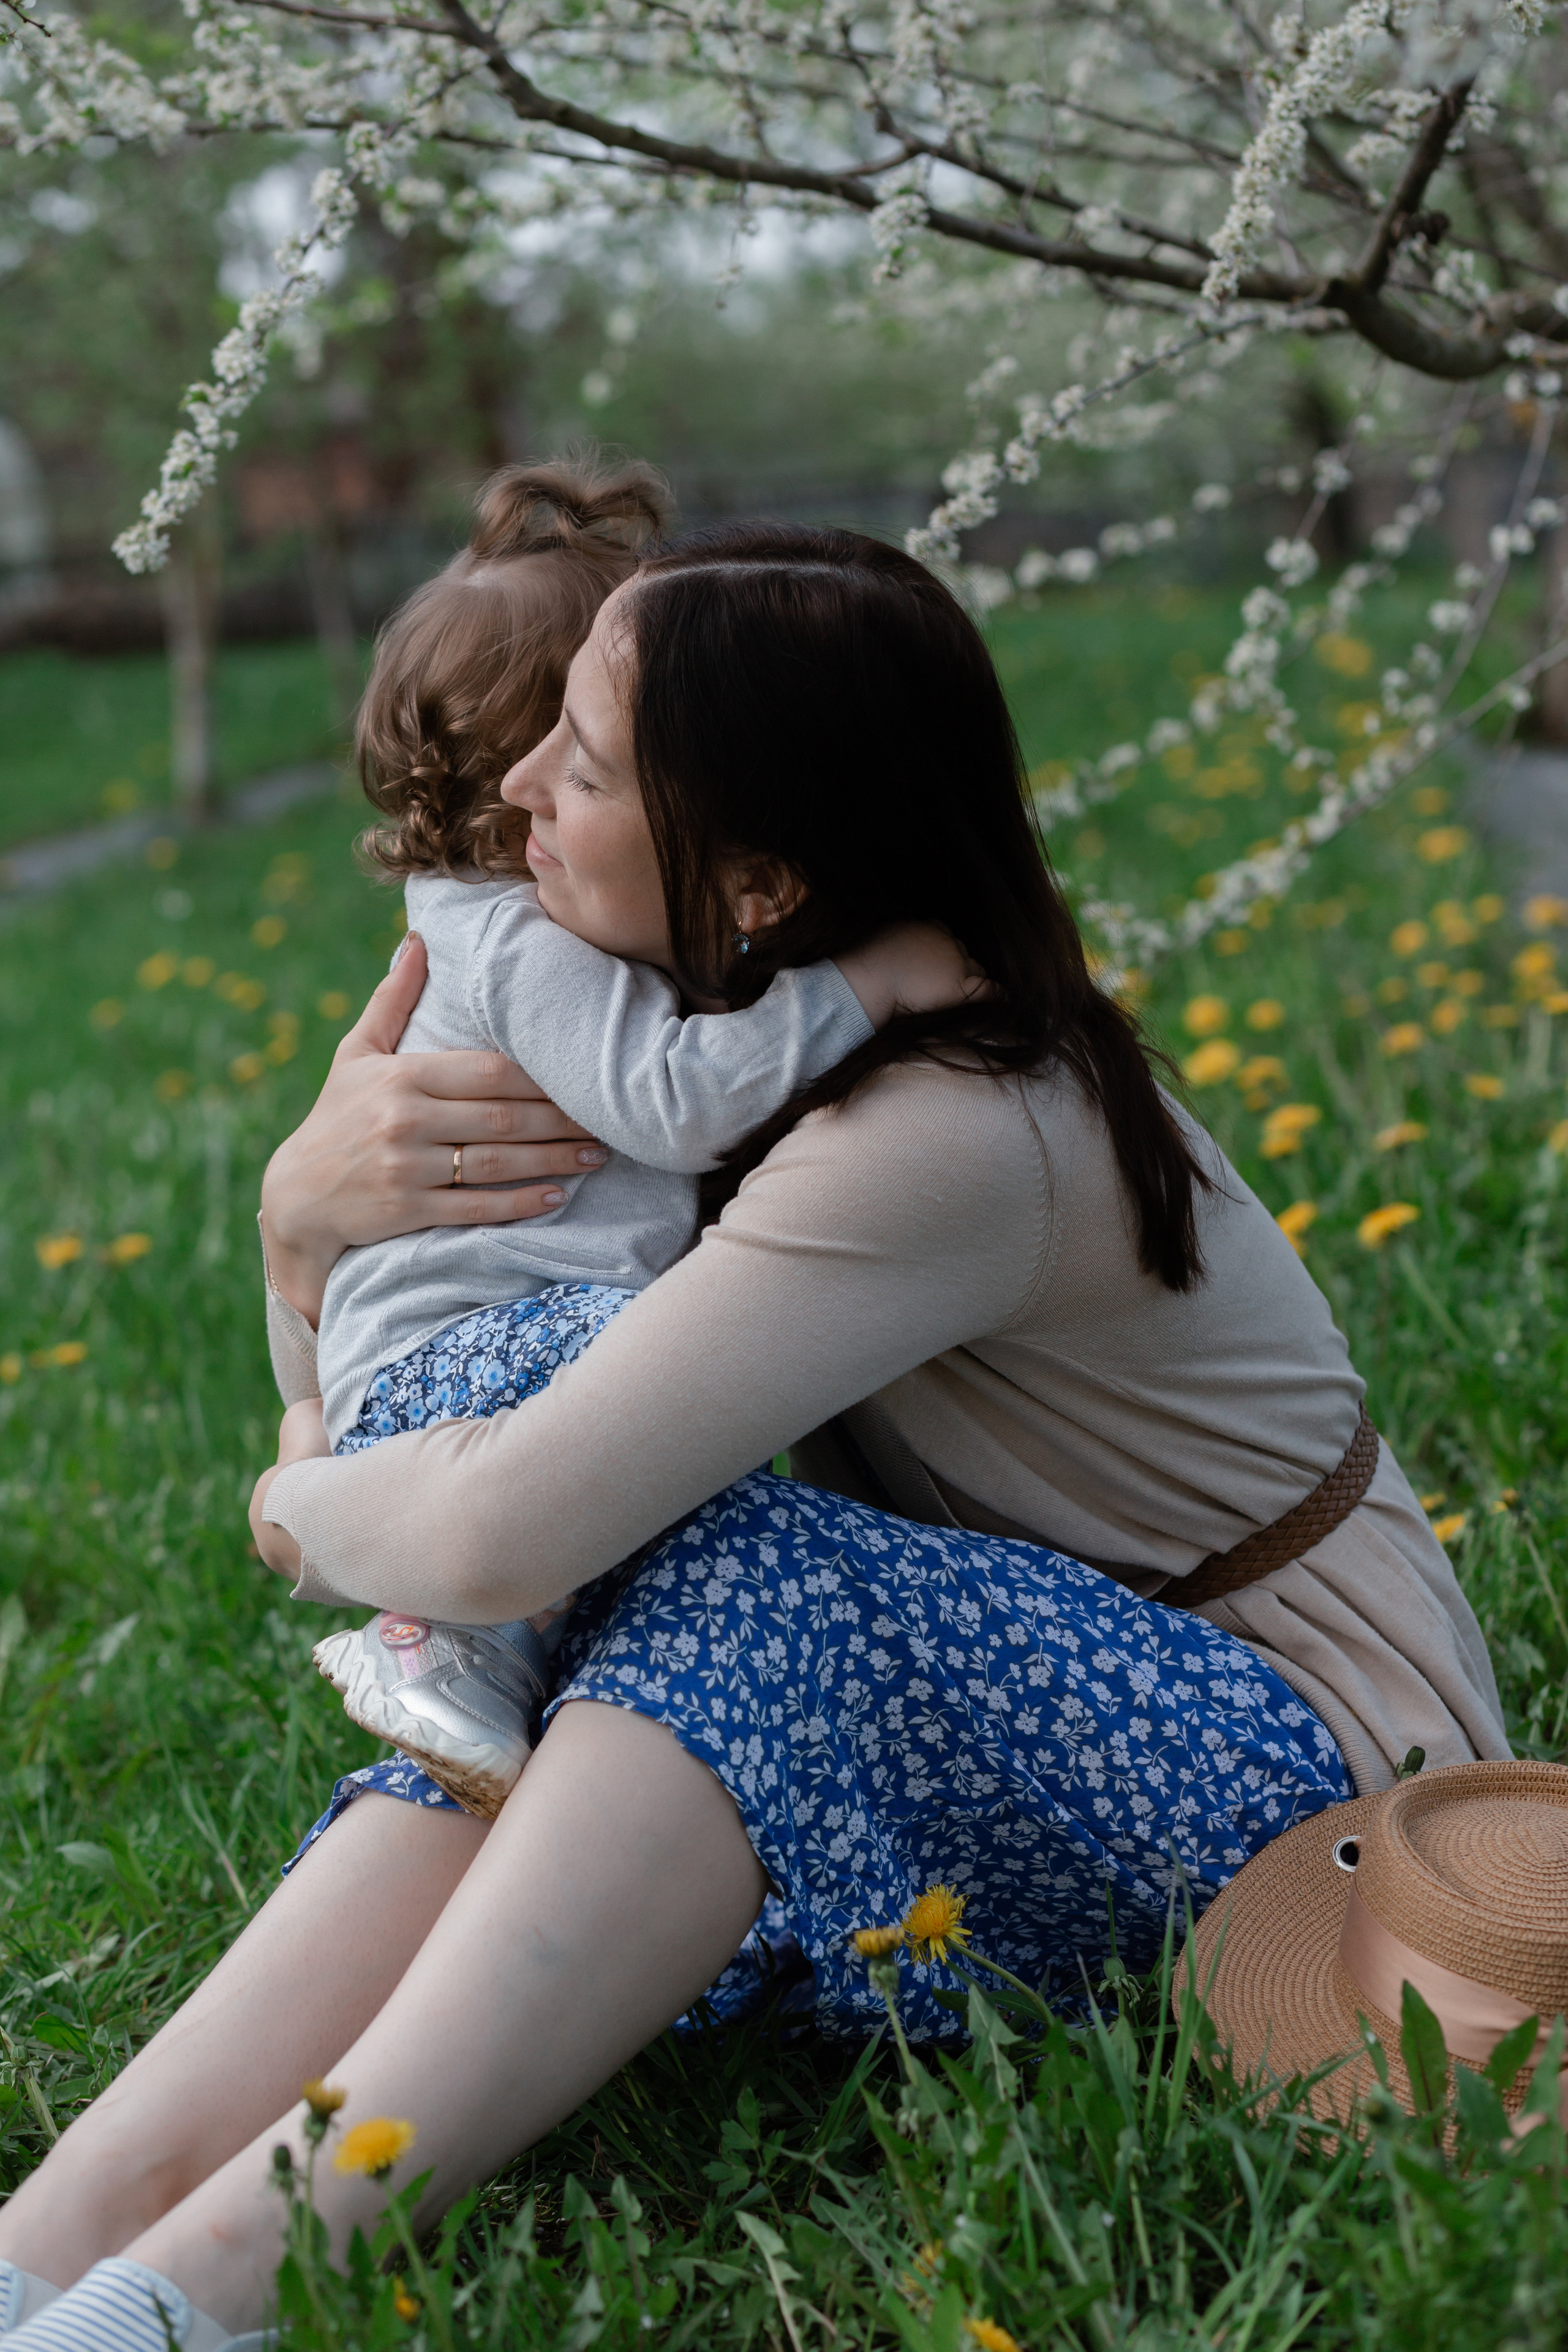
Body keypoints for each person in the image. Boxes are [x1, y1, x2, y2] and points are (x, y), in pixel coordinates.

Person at [0, 524, 1509, 2351]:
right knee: (564, 1656)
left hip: (1292, 1748)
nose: (518, 782)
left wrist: (287, 1485)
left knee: (715, 1573)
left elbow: (499, 1531)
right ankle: (62, 2233)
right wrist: (294, 1230)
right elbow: (463, 1375)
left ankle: (223, 2281)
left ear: (767, 875)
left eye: (586, 755)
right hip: (1023, 1667)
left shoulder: (950, 1124)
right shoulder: (710, 1035)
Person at [300, 453, 978, 1814]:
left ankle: (499, 1668)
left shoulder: (509, 919)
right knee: (665, 1375)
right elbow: (678, 1098)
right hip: (466, 1364)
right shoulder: (514, 938)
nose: (566, 762)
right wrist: (869, 981)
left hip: (442, 1363)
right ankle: (435, 1635)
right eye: (576, 729)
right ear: (517, 771)